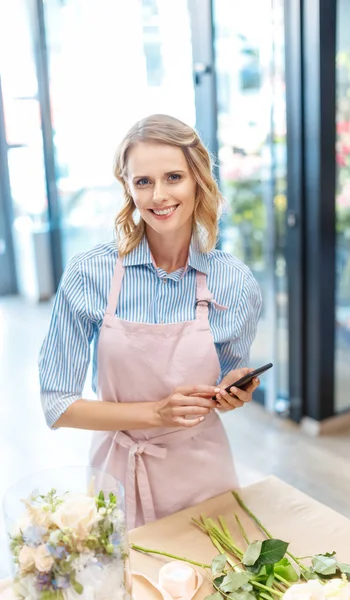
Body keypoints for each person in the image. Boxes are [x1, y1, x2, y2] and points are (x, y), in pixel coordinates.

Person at [39, 114, 262, 529]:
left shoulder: (234, 281)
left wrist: (235, 391)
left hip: (203, 474)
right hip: (117, 476)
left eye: (173, 177)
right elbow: (58, 405)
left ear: (198, 180)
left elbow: (229, 375)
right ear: (127, 186)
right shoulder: (90, 273)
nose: (159, 196)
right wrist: (156, 414)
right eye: (143, 182)